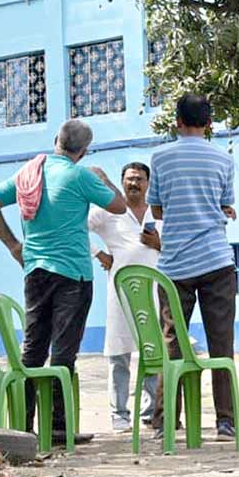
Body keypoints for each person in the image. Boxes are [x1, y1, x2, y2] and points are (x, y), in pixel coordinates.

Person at [0, 119, 126, 444]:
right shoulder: (80, 175)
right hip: (73, 273)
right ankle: (58, 428)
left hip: (35, 271)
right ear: (84, 151)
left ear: (56, 139)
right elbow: (119, 205)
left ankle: (23, 430)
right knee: (63, 355)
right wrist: (104, 179)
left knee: (32, 351)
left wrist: (13, 246)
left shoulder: (29, 173)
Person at [147, 94, 239, 442]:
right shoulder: (223, 158)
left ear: (177, 122)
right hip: (217, 260)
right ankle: (226, 422)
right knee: (222, 344)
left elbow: (157, 210)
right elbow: (225, 205)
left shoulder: (160, 157)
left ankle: (165, 421)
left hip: (175, 265)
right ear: (208, 124)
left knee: (172, 343)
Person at [88, 162, 161, 433]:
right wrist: (99, 254)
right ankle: (119, 415)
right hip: (120, 296)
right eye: (129, 179)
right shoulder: (108, 212)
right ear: (121, 182)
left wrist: (158, 244)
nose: (134, 184)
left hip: (154, 293)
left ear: (148, 184)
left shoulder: (158, 212)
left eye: (140, 179)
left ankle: (149, 412)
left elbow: (176, 246)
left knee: (152, 352)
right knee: (119, 356)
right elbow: (73, 227)